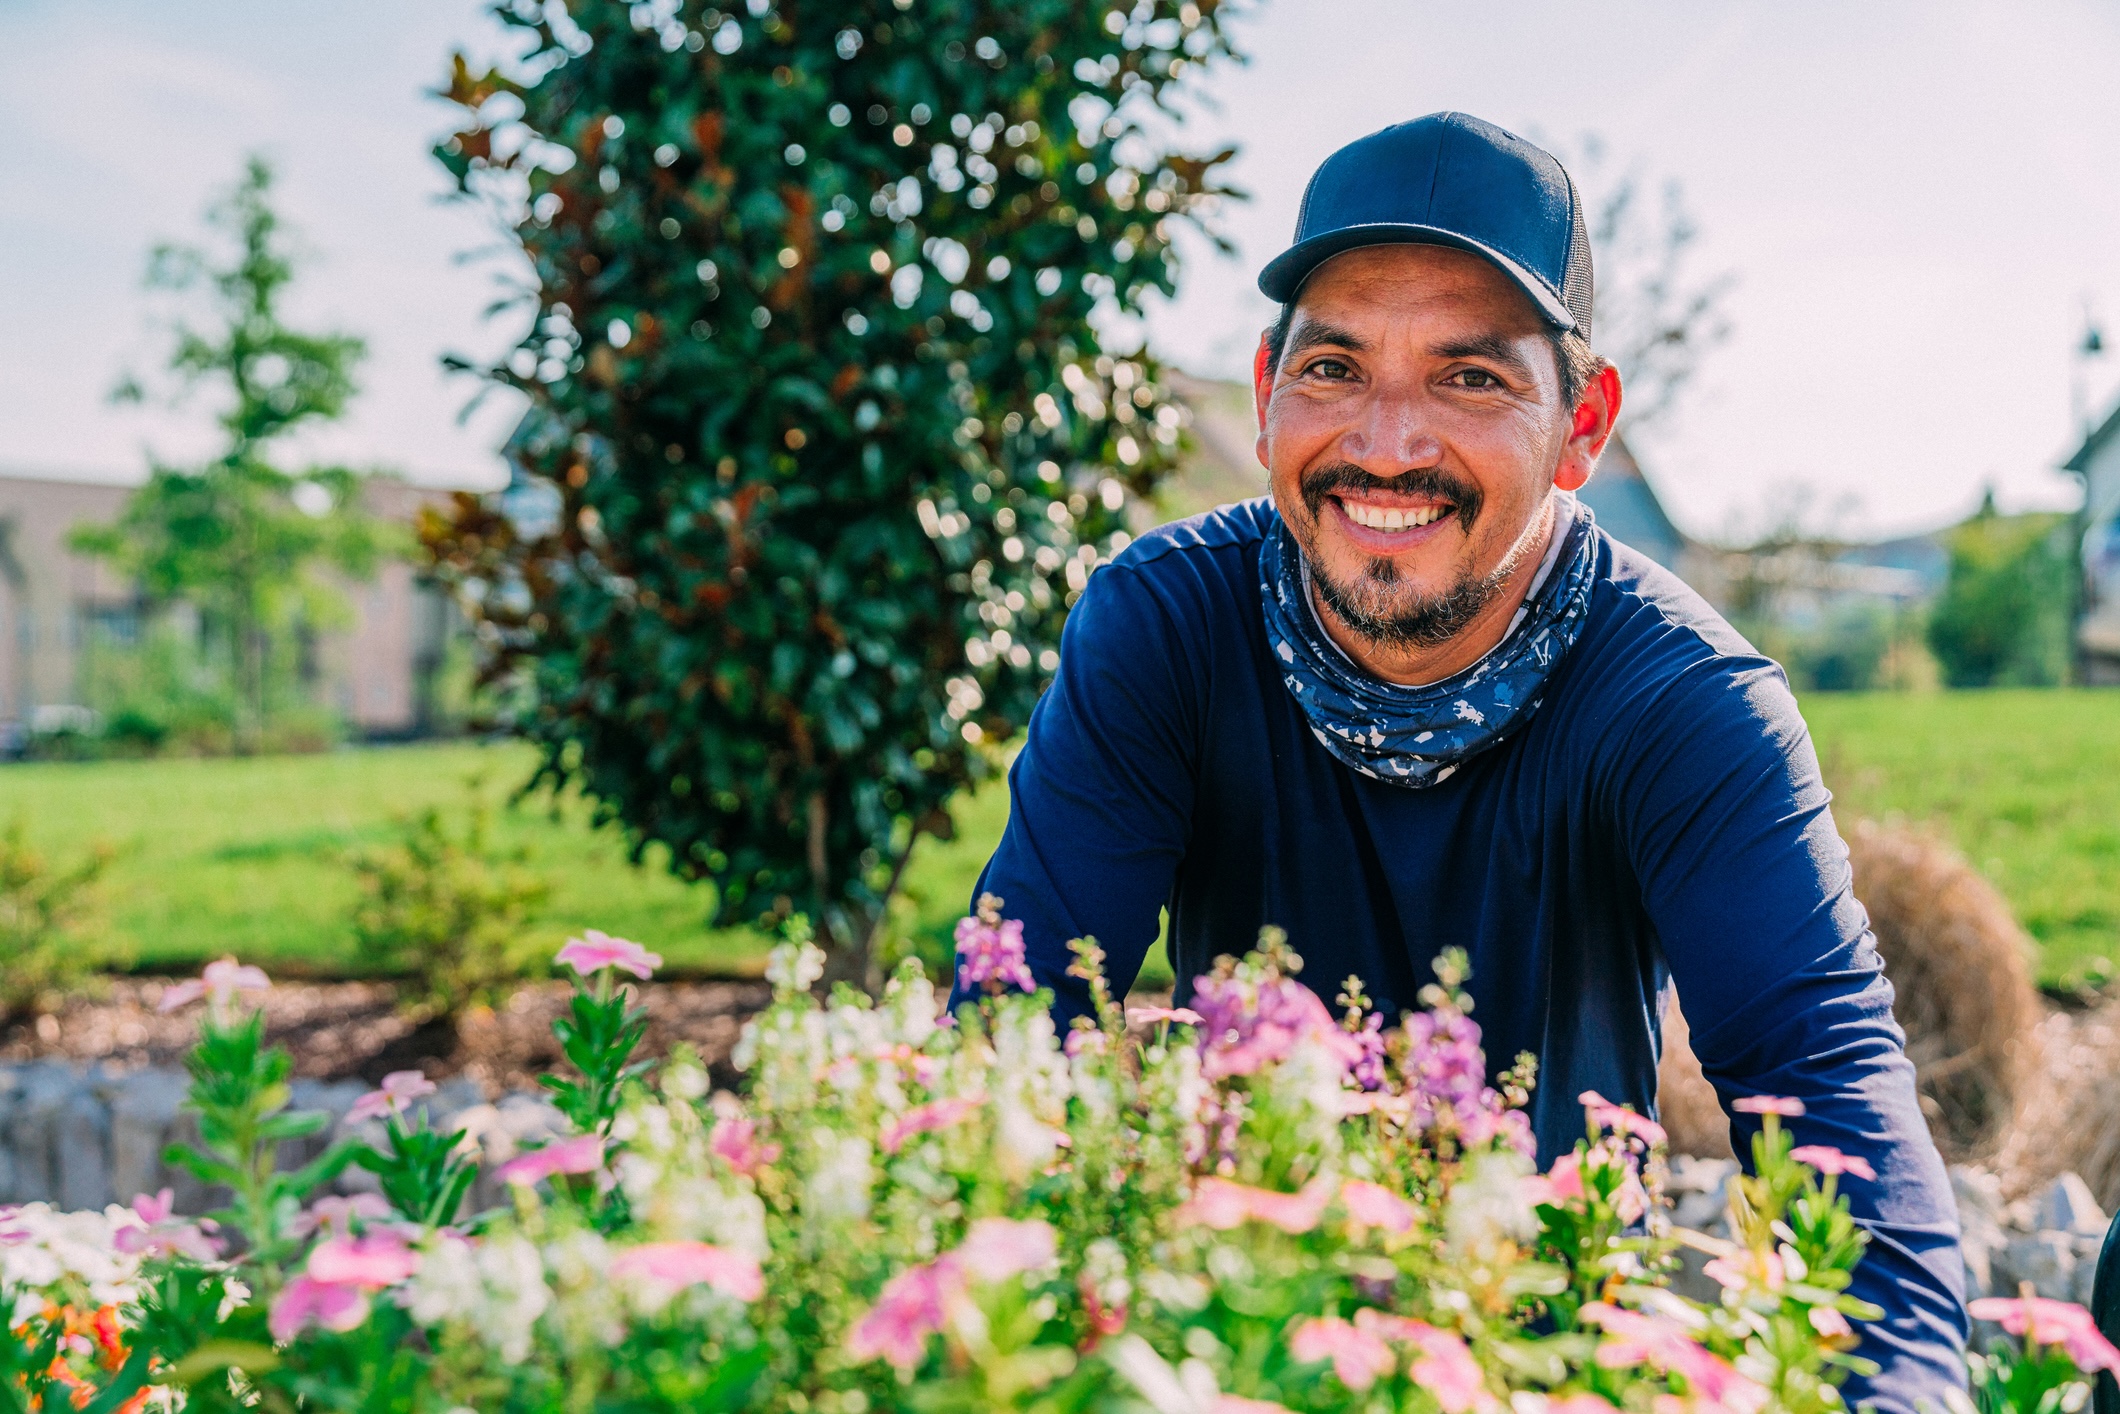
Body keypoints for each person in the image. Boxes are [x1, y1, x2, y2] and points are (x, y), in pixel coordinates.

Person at [956, 112, 1966, 1409]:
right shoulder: (1165, 630)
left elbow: (1832, 1104)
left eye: (1470, 378)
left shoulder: (1686, 708)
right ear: (1265, 392)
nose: (1386, 444)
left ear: (1583, 423)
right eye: (1334, 368)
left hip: (1536, 1345)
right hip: (1216, 1339)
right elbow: (1010, 1018)